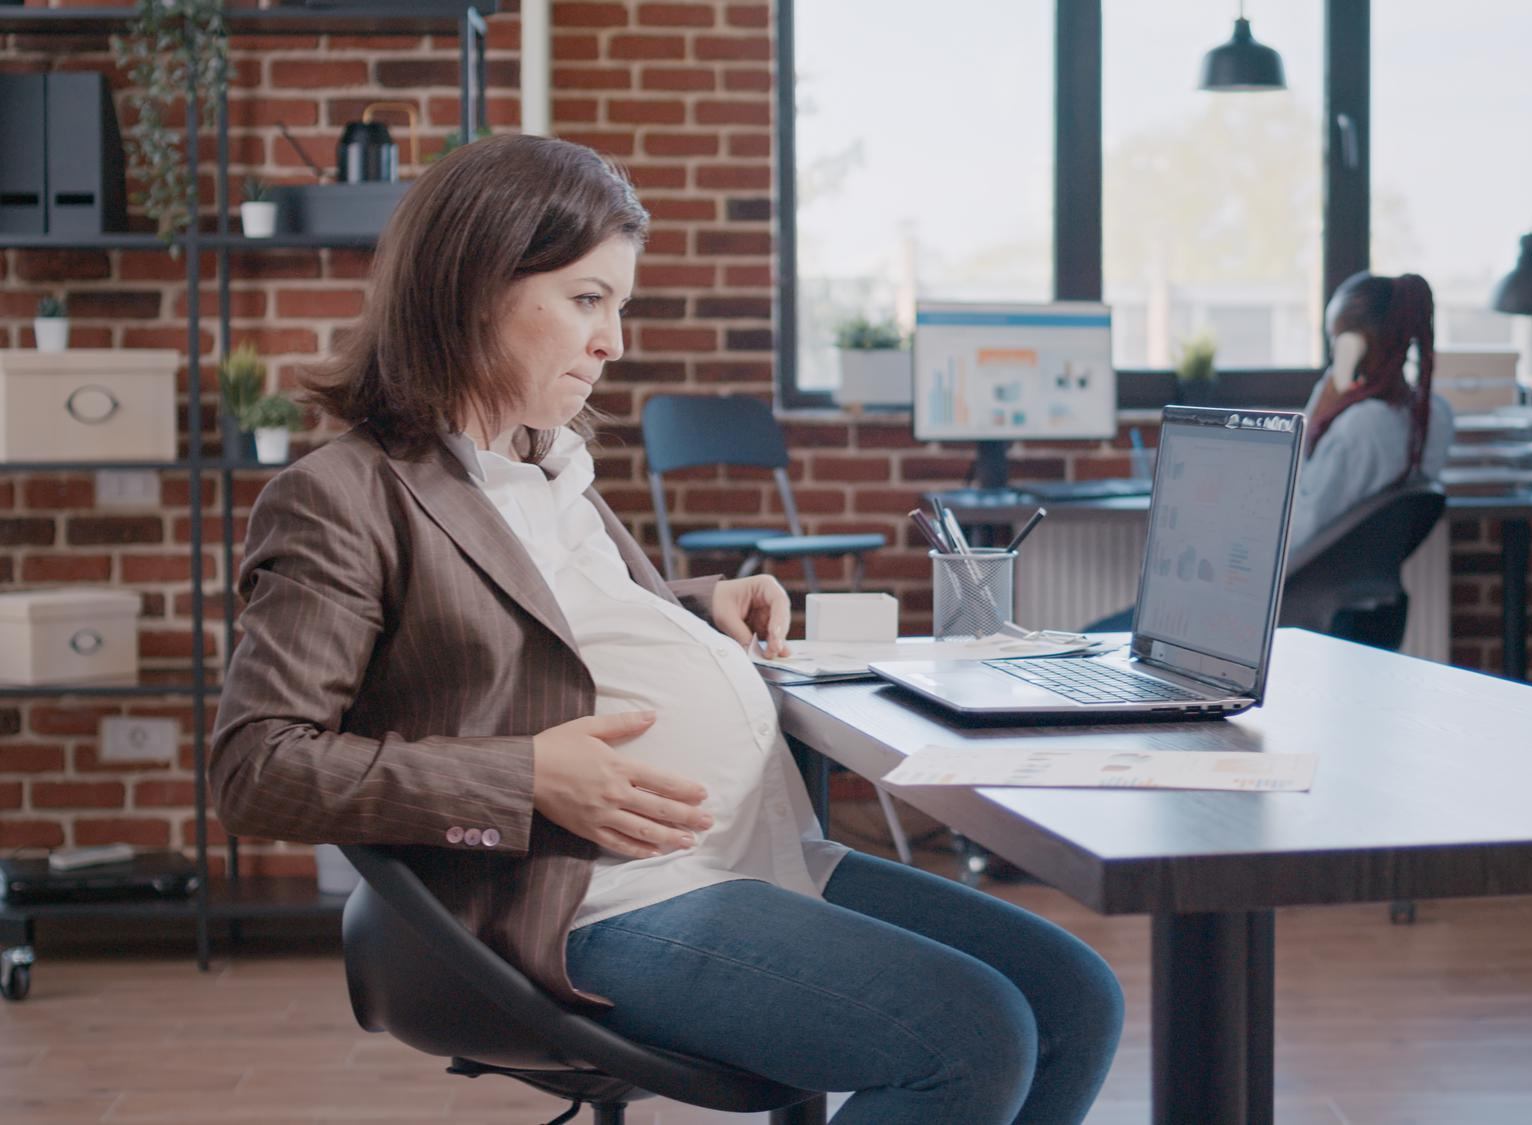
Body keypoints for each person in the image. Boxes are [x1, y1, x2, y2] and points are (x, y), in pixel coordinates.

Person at [209, 134, 1122, 1125]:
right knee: (970, 1034)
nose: (611, 341)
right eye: (586, 299)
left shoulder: (546, 461)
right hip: (588, 898)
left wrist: (693, 609)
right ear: (475, 289)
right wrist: (526, 778)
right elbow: (257, 766)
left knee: (1075, 998)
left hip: (752, 852)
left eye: (619, 306)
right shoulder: (342, 497)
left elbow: (548, 619)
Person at [1288, 271, 1455, 571]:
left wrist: (1317, 414)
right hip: (1369, 590)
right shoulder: (1436, 416)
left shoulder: (1361, 428)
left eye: (1336, 340)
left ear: (1353, 345)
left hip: (1318, 590)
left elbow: (1299, 528)